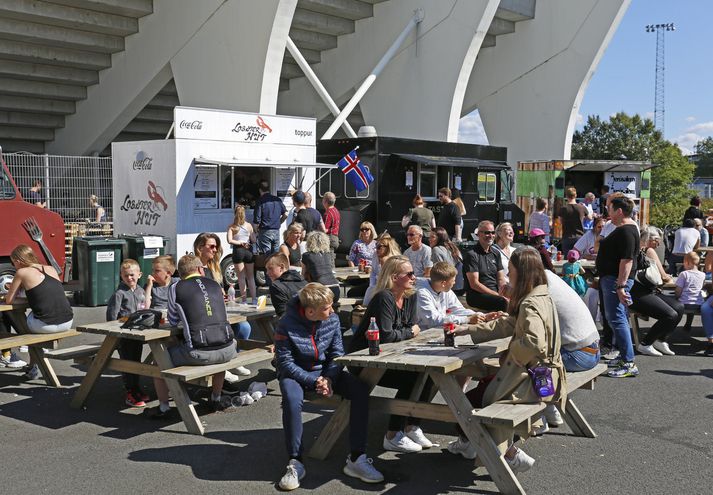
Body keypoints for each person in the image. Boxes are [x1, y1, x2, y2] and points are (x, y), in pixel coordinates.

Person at [451, 247, 565, 471]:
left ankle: (506, 453)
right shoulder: (542, 295)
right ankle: (474, 445)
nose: (507, 273)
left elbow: (534, 343)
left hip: (529, 380)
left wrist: (511, 354)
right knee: (481, 390)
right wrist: (468, 328)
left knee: (467, 405)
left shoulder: (530, 303)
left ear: (520, 272)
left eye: (510, 269)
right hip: (546, 376)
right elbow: (509, 324)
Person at [275, 283, 384, 490]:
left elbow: (336, 354)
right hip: (295, 373)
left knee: (360, 390)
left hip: (326, 372)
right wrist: (314, 381)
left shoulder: (332, 319)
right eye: (327, 307)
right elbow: (285, 363)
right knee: (291, 399)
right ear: (310, 311)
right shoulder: (286, 323)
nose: (333, 310)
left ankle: (357, 458)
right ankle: (295, 461)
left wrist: (328, 378)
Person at [349, 256, 434, 453]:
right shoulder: (384, 298)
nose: (415, 277)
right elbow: (388, 335)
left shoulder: (410, 296)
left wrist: (408, 332)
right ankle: (393, 434)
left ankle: (411, 426)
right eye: (410, 274)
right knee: (411, 379)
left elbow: (408, 329)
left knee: (428, 375)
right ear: (395, 277)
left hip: (388, 356)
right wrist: (409, 332)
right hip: (364, 359)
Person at [146, 254, 238, 419]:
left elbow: (173, 321)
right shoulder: (216, 285)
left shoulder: (176, 288)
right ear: (199, 269)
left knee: (158, 362)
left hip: (199, 352)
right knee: (218, 350)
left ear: (180, 273)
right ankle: (216, 398)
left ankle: (164, 407)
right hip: (229, 349)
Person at [4, 244, 73, 380]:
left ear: (18, 261)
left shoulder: (21, 272)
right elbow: (45, 294)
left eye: (13, 262)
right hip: (67, 321)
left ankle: (32, 357)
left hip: (46, 325)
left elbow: (9, 300)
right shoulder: (50, 268)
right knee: (34, 318)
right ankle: (32, 365)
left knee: (22, 321)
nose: (14, 265)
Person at [194, 233, 250, 380]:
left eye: (216, 247)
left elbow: (220, 290)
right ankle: (222, 365)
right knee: (229, 329)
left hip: (220, 308)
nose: (215, 249)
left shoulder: (214, 267)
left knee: (245, 327)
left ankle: (233, 358)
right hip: (204, 312)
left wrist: (224, 294)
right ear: (200, 248)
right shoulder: (193, 267)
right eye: (212, 246)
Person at [596, 196, 640, 378]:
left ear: (619, 211)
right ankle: (624, 356)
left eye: (610, 209)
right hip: (612, 278)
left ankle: (629, 362)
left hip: (616, 280)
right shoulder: (623, 229)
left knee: (617, 318)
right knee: (615, 317)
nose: (608, 212)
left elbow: (627, 260)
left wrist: (621, 286)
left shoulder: (627, 231)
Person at [629, 226, 682, 357]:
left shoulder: (637, 249)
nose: (659, 243)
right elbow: (664, 276)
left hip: (647, 290)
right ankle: (646, 344)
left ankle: (660, 340)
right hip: (637, 293)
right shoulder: (649, 250)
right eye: (657, 240)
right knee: (671, 314)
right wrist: (669, 278)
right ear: (648, 239)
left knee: (679, 307)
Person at [106, 258, 148, 407]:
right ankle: (130, 391)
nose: (129, 278)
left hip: (137, 333)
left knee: (136, 361)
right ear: (121, 276)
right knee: (127, 362)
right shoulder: (120, 293)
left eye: (132, 275)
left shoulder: (141, 291)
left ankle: (136, 388)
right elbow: (111, 315)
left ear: (139, 274)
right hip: (124, 335)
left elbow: (144, 308)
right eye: (125, 276)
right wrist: (114, 332)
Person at [415, 262, 483, 329]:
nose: (454, 283)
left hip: (439, 329)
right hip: (423, 333)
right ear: (443, 283)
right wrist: (467, 319)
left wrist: (481, 316)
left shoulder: (445, 290)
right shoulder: (421, 294)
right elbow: (433, 320)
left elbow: (458, 310)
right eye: (453, 280)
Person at [463, 220, 507, 311]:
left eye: (493, 232)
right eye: (487, 233)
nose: (490, 236)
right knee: (503, 303)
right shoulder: (472, 255)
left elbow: (501, 279)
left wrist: (504, 292)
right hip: (477, 295)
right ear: (478, 234)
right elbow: (474, 284)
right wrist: (497, 295)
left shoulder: (496, 253)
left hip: (495, 293)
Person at [227, 205, 257, 304]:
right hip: (249, 251)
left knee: (241, 277)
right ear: (244, 214)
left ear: (234, 213)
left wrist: (240, 242)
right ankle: (254, 299)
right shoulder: (249, 226)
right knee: (251, 277)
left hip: (238, 251)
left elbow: (229, 240)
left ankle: (244, 300)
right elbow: (253, 240)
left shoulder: (232, 227)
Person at [301, 231, 340, 303]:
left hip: (322, 292)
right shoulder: (328, 255)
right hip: (336, 290)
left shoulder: (307, 255)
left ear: (309, 242)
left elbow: (303, 276)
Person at [363, 233, 401, 306]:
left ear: (387, 247)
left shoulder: (392, 259)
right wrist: (372, 285)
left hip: (388, 288)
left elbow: (387, 280)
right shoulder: (375, 255)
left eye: (379, 246)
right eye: (376, 245)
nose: (376, 249)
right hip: (376, 285)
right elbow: (373, 272)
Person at [266, 253, 307, 318]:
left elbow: (283, 315)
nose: (267, 273)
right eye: (267, 269)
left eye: (270, 268)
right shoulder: (304, 281)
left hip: (294, 325)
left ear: (281, 267)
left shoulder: (276, 286)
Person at [253, 180, 287, 254]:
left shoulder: (260, 201)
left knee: (266, 255)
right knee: (276, 255)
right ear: (269, 189)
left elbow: (256, 220)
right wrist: (279, 222)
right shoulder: (277, 199)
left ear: (260, 190)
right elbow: (286, 214)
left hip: (265, 231)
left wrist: (256, 231)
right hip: (276, 231)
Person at [429, 227, 464, 294]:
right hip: (460, 285)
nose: (429, 239)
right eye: (429, 237)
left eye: (432, 237)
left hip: (448, 287)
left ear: (440, 238)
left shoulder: (436, 250)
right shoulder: (453, 247)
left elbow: (439, 272)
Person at [557, 187, 590, 254]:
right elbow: (589, 217)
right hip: (579, 237)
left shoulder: (563, 208)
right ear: (576, 195)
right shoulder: (582, 207)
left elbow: (560, 221)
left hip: (566, 237)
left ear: (566, 196)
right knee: (579, 260)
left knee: (567, 260)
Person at [322, 191, 341, 264]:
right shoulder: (336, 211)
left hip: (329, 238)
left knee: (329, 262)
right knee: (331, 259)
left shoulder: (328, 213)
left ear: (325, 201)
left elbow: (324, 229)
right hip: (335, 237)